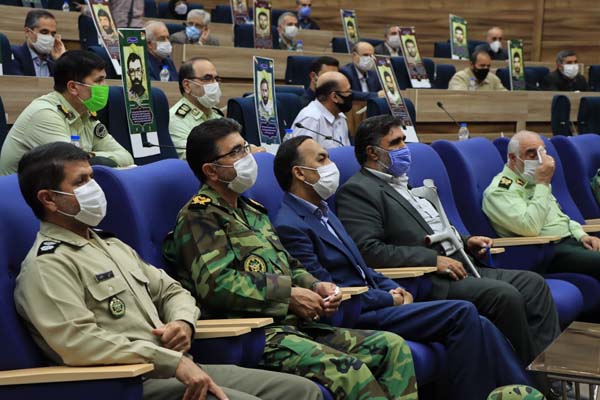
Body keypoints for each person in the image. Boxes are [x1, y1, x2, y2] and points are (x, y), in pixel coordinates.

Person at [14, 141, 324, 400]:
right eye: (81, 182)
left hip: (176, 366)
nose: (94, 188)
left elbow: (173, 290)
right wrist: (168, 360)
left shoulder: (110, 245)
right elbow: (79, 343)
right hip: (129, 384)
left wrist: (182, 322)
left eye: (92, 178)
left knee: (301, 391)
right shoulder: (47, 266)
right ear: (49, 199)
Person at [162, 118, 419, 400]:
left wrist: (315, 285)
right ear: (211, 170)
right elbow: (218, 285)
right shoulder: (199, 217)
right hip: (255, 335)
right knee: (350, 370)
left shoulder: (252, 211)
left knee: (391, 346)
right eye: (235, 152)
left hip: (295, 326)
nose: (247, 156)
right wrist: (289, 295)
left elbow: (289, 264)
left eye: (245, 147)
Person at [272, 136, 535, 399]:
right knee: (462, 312)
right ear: (299, 173)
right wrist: (389, 298)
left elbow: (363, 268)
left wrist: (394, 288)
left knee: (481, 322)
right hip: (353, 313)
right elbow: (327, 290)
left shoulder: (324, 212)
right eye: (322, 159)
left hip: (377, 299)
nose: (331, 164)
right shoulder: (290, 225)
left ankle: (525, 391)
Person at [335, 115, 561, 370]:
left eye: (404, 140)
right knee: (504, 296)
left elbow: (432, 228)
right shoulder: (359, 191)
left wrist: (467, 241)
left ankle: (547, 370)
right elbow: (368, 251)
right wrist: (432, 260)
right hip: (427, 279)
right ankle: (524, 377)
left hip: (461, 263)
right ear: (372, 152)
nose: (404, 148)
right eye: (395, 143)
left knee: (534, 284)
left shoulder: (402, 183)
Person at [483, 130, 600, 280]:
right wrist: (543, 183)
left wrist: (582, 235)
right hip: (545, 252)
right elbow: (530, 227)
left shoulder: (533, 181)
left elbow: (560, 218)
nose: (540, 160)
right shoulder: (499, 192)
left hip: (570, 242)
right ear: (513, 158)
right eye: (532, 155)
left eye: (542, 153)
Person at [0, 50, 133, 176]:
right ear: (73, 87)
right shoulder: (45, 114)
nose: (105, 86)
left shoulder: (86, 113)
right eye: (98, 80)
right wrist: (95, 159)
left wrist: (91, 156)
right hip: (20, 191)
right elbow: (74, 165)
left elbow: (126, 157)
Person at [169, 57, 223, 159]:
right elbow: (192, 159)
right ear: (187, 86)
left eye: (216, 79)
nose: (215, 84)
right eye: (207, 78)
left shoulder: (217, 115)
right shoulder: (175, 119)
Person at [291, 71, 351, 149]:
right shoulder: (311, 119)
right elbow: (299, 154)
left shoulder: (340, 117)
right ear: (334, 97)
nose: (350, 94)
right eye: (347, 91)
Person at [12, 10, 66, 77]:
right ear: (27, 32)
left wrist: (61, 60)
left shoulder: (54, 61)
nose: (49, 37)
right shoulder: (14, 54)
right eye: (44, 32)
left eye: (53, 34)